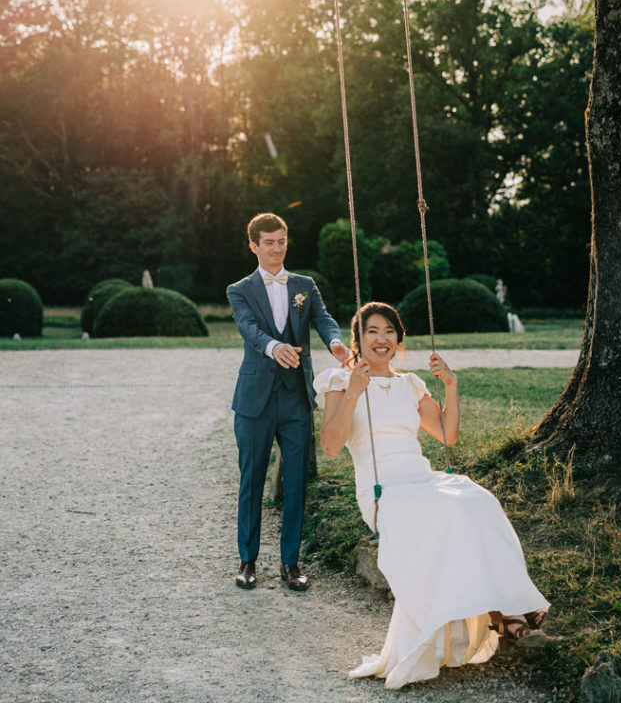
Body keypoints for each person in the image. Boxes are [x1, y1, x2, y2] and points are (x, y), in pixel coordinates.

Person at [314, 301, 550, 688]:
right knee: (448, 512)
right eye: (372, 331)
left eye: (389, 331)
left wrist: (451, 385)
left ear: (398, 340)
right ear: (358, 339)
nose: (382, 338)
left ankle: (508, 610)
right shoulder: (341, 382)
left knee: (477, 502)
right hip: (384, 490)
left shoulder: (409, 384)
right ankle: (508, 617)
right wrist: (355, 392)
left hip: (421, 479)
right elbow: (330, 446)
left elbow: (447, 434)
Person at [227, 212, 348, 592]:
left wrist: (335, 343)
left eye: (281, 241)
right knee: (252, 480)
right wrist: (273, 346)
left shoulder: (304, 285)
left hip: (296, 398)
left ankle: (290, 564)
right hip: (255, 401)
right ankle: (248, 561)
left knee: (296, 483)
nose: (277, 249)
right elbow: (248, 327)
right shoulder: (239, 289)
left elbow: (324, 319)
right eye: (269, 243)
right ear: (253, 246)